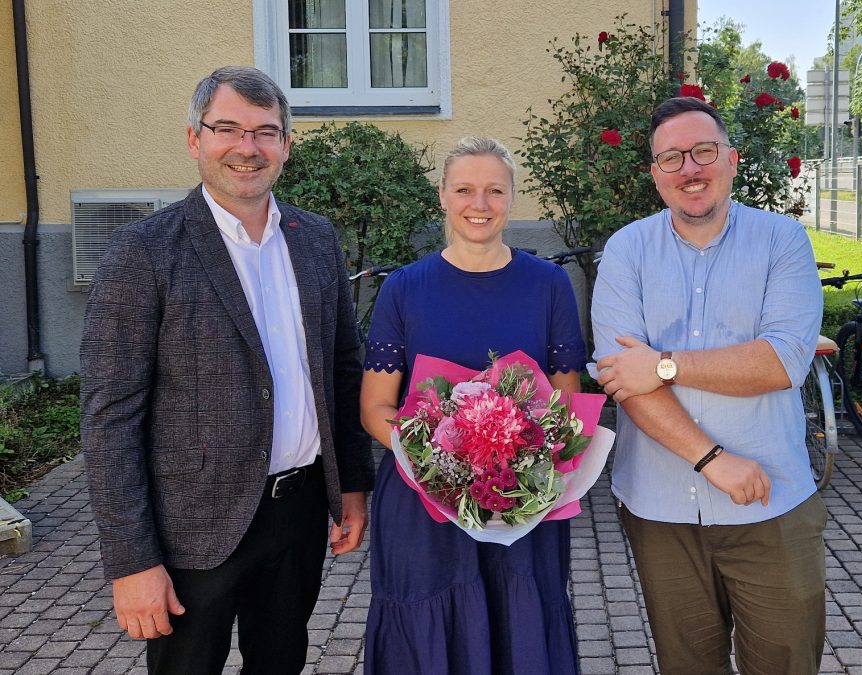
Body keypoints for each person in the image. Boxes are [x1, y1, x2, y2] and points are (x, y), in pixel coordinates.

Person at [80, 66, 373, 675]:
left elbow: (343, 369)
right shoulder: (144, 252)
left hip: (296, 515)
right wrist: (132, 560)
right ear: (195, 139)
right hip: (191, 529)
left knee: (280, 665)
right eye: (228, 129)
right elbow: (110, 417)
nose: (248, 147)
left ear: (286, 145)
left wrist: (351, 485)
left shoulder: (316, 240)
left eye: (266, 132)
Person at [591, 96, 826, 675]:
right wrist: (712, 459)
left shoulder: (783, 241)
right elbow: (624, 379)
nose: (689, 169)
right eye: (671, 158)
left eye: (703, 152)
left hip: (770, 503)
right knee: (686, 667)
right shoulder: (626, 251)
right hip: (660, 507)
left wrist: (665, 364)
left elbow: (780, 362)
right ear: (655, 174)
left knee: (786, 663)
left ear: (732, 159)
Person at [360, 136, 586, 674]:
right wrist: (440, 468)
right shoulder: (404, 289)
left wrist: (513, 466)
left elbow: (566, 401)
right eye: (464, 189)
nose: (478, 204)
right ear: (442, 195)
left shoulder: (550, 285)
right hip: (424, 503)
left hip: (521, 501)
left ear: (512, 198)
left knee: (520, 628)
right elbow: (375, 406)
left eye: (494, 191)